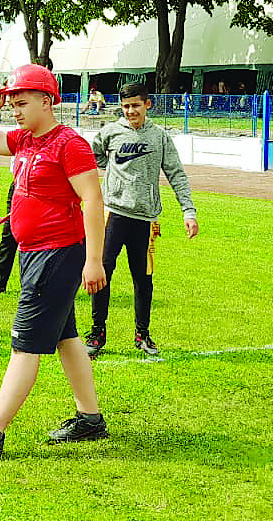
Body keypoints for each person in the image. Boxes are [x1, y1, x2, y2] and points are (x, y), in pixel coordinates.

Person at [0, 63, 108, 457]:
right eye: (12, 104)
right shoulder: (24, 139)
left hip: (57, 253)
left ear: (47, 100)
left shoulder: (69, 144)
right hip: (35, 253)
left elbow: (93, 200)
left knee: (25, 345)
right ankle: (90, 418)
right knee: (66, 338)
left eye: (21, 103)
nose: (15, 110)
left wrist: (94, 261)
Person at [83, 83, 199, 358]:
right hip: (112, 215)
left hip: (145, 219)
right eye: (125, 106)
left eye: (135, 105)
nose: (130, 111)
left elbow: (176, 173)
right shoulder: (110, 132)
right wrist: (112, 172)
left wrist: (188, 211)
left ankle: (142, 334)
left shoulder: (159, 137)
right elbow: (91, 155)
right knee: (102, 274)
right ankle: (97, 333)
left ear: (147, 104)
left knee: (143, 279)